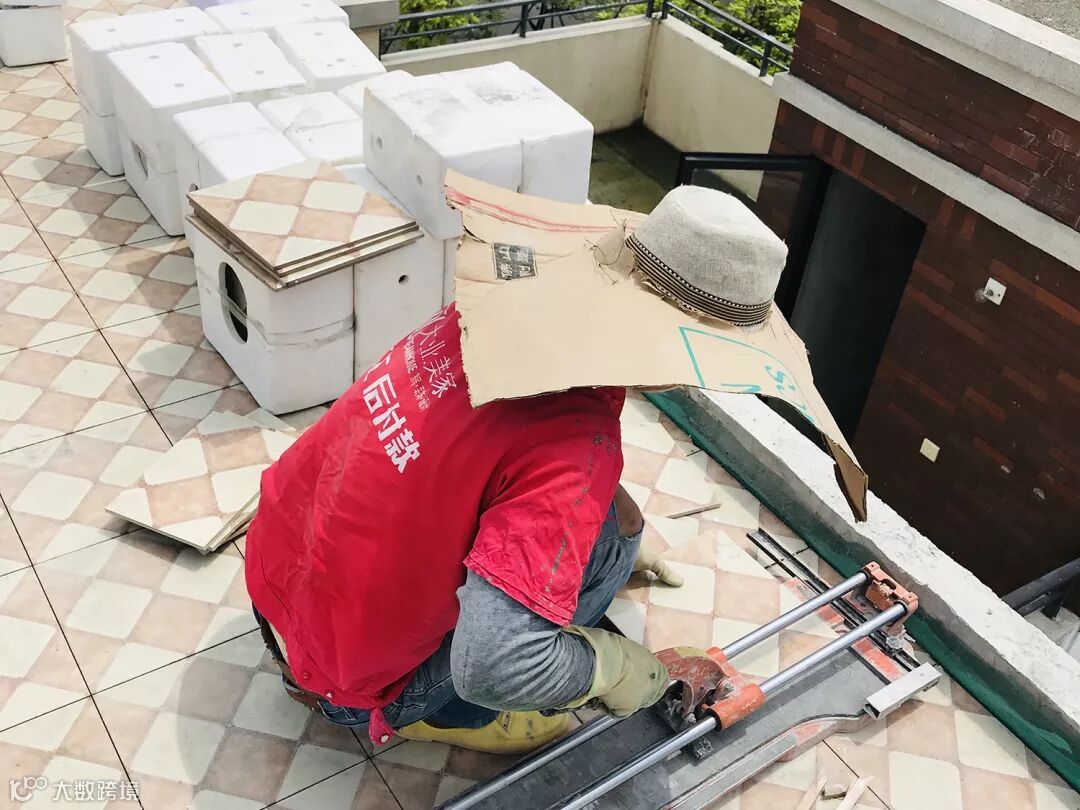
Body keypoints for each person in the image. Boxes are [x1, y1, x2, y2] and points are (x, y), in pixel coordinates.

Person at [245, 180, 861, 755]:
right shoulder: (577, 445)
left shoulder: (490, 317)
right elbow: (493, 664)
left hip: (275, 583)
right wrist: (614, 670)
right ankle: (444, 716)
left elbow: (465, 461)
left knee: (613, 525)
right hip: (350, 686)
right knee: (605, 551)